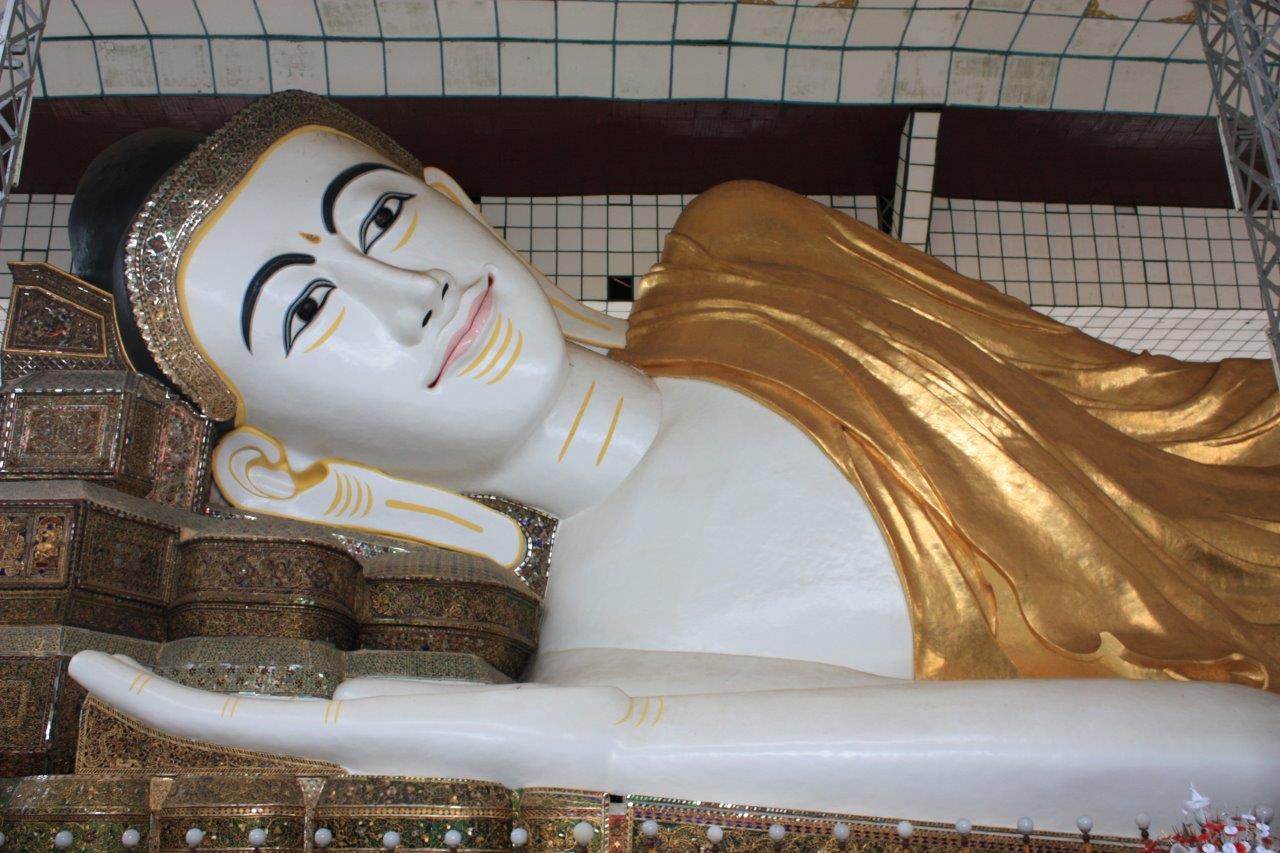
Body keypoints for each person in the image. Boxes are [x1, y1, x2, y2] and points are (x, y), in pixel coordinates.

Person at [66, 91, 1280, 834]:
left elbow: (1152, 415)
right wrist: (584, 739)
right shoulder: (623, 665)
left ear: (452, 199)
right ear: (285, 469)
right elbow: (1236, 763)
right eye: (306, 310)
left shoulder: (751, 255)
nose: (409, 293)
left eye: (378, 217)